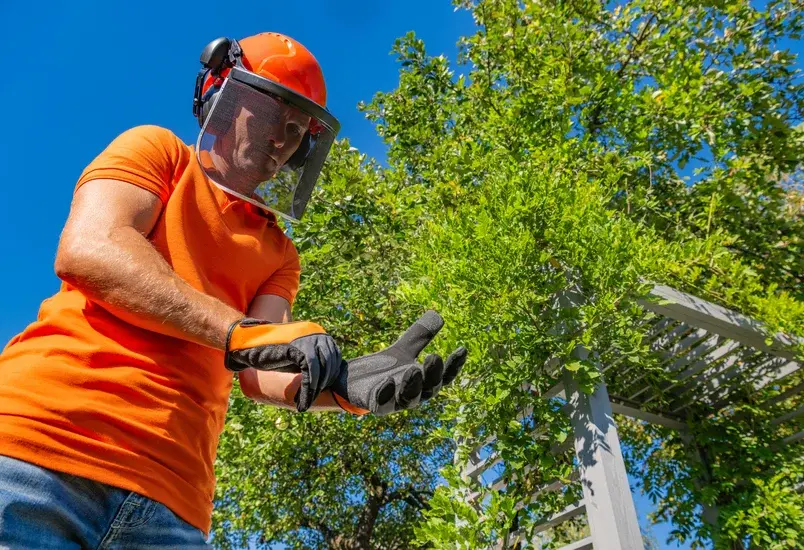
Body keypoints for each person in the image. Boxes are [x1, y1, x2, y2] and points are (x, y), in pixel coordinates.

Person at [0, 32, 465, 548]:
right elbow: (90, 249)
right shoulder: (158, 152)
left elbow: (260, 368)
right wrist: (237, 331)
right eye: (272, 115)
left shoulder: (279, 253)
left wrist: (341, 386)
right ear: (225, 97)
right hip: (37, 448)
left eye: (296, 130)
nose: (282, 139)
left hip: (172, 501)